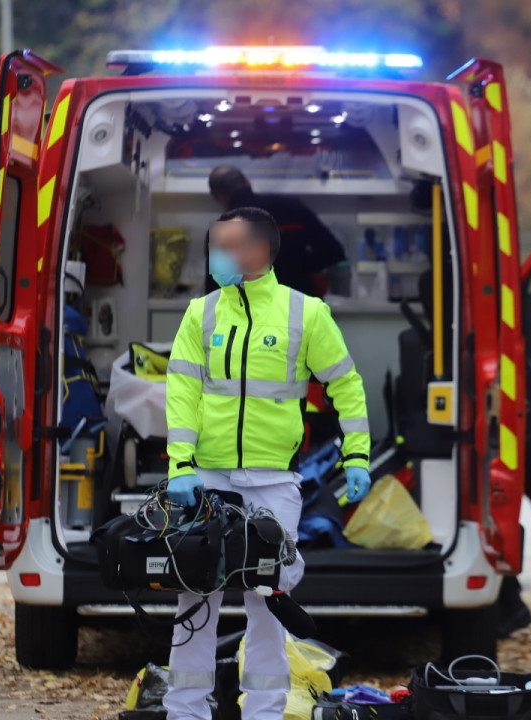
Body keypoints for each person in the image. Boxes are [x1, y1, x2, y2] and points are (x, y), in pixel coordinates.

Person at [164, 206, 372, 720]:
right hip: (207, 477)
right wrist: (180, 466)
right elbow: (182, 391)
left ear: (255, 251)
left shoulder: (306, 314)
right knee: (194, 598)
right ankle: (184, 712)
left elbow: (345, 384)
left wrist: (357, 455)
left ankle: (263, 712)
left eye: (222, 246)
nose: (212, 256)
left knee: (268, 600)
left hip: (272, 481)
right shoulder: (202, 313)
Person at [207, 166, 346, 297]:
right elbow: (334, 252)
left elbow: (215, 290)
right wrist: (298, 267)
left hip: (251, 315)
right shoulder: (293, 207)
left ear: (216, 196)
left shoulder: (222, 228)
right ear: (248, 183)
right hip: (298, 307)